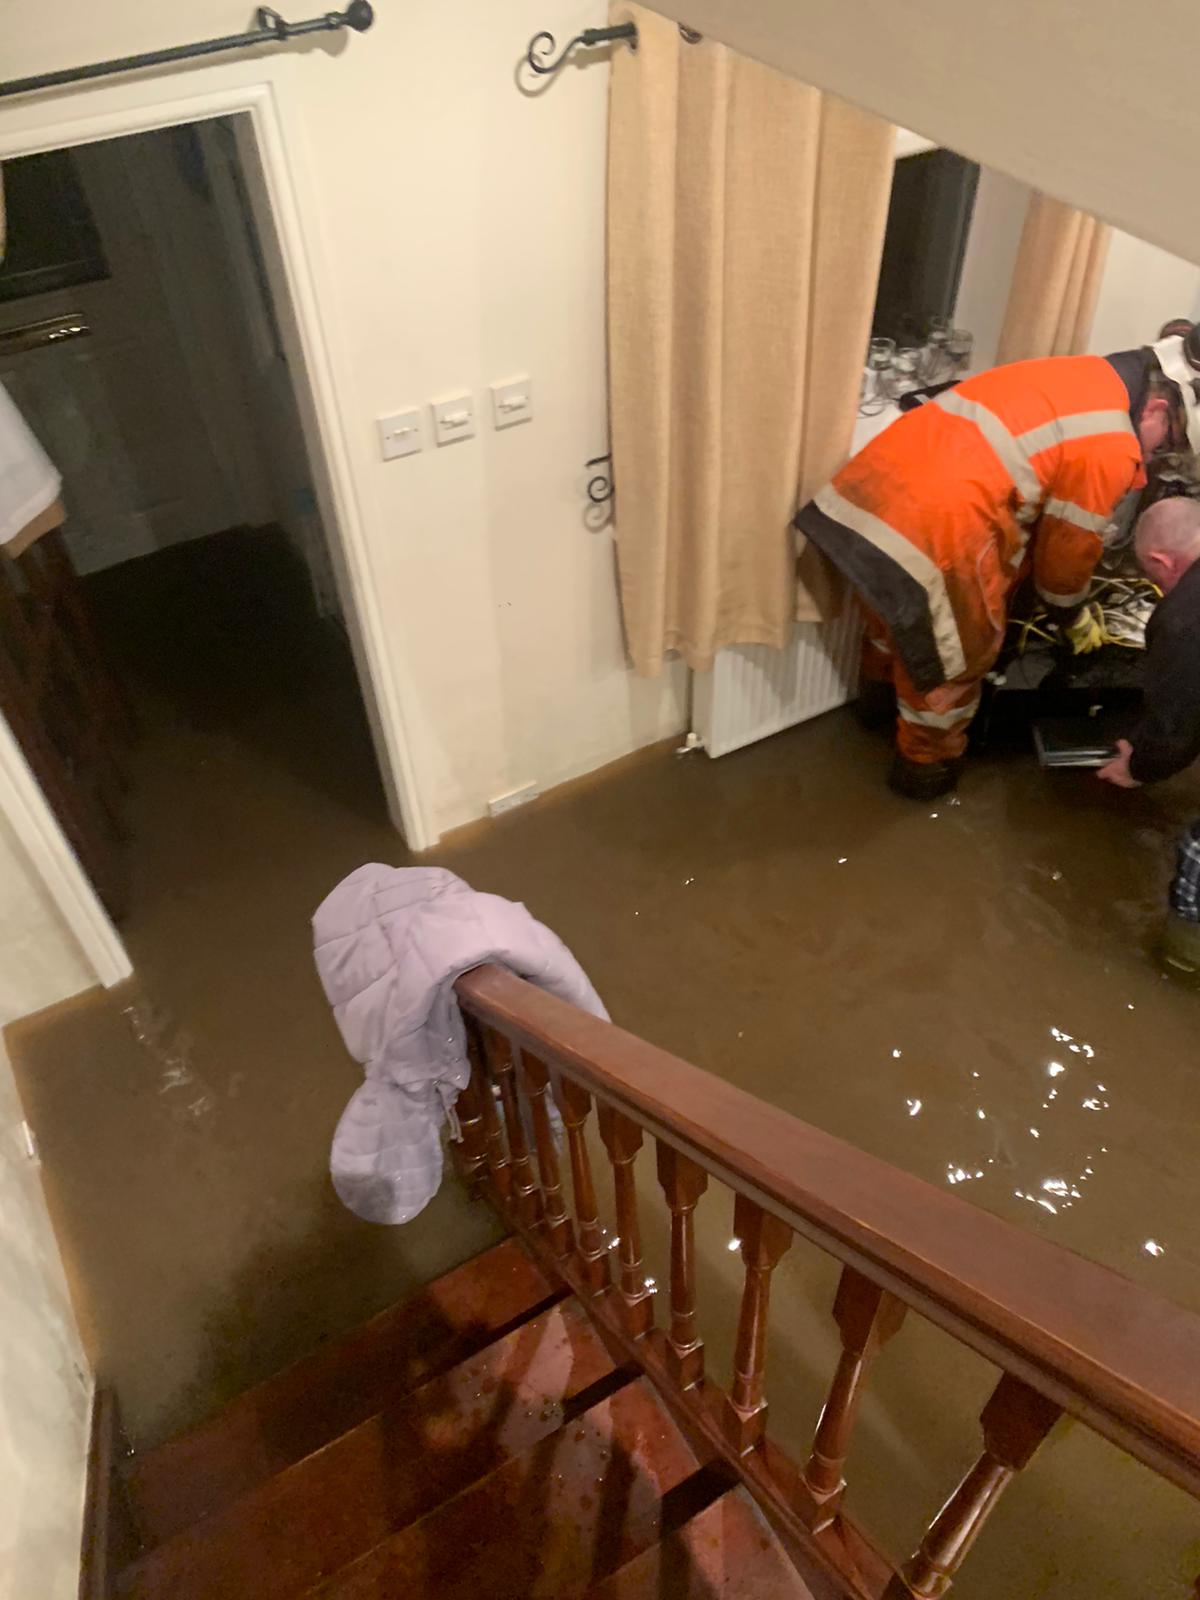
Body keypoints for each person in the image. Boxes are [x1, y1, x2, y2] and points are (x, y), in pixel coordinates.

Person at [795, 329, 1200, 799]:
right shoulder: (1111, 443)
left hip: (868, 497)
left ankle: (872, 716)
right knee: (954, 666)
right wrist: (1074, 617)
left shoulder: (1084, 374)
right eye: (1166, 440)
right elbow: (1063, 568)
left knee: (895, 628)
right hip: (935, 532)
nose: (1154, 456)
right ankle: (923, 775)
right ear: (1155, 409)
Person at [1097, 497, 1200, 976]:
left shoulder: (1184, 618)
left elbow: (1178, 725)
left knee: (1195, 865)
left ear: (1162, 561)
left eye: (1154, 578)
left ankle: (1182, 967)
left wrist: (1137, 767)